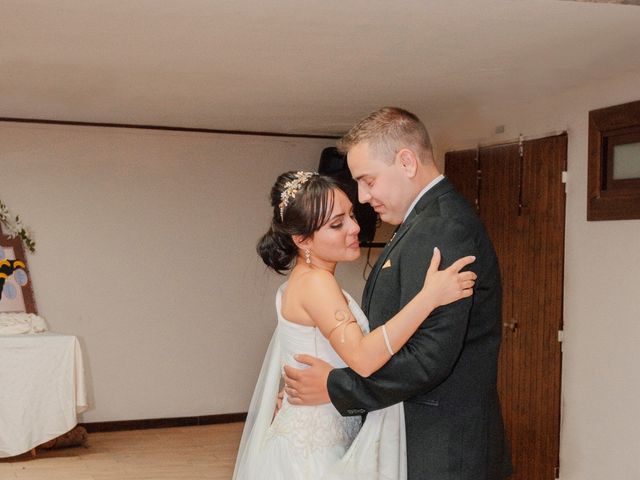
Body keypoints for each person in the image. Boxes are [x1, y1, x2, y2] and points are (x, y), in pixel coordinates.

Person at [284, 107, 512, 480]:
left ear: (406, 161)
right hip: (419, 438)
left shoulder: (442, 227)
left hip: (441, 447)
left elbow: (428, 359)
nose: (362, 195)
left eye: (368, 180)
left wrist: (333, 388)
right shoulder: (422, 220)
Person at [233, 171, 477, 479]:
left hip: (315, 437)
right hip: (313, 455)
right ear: (302, 240)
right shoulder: (317, 284)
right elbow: (363, 358)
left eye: (351, 215)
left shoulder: (302, 282)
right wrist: (429, 297)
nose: (355, 228)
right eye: (337, 224)